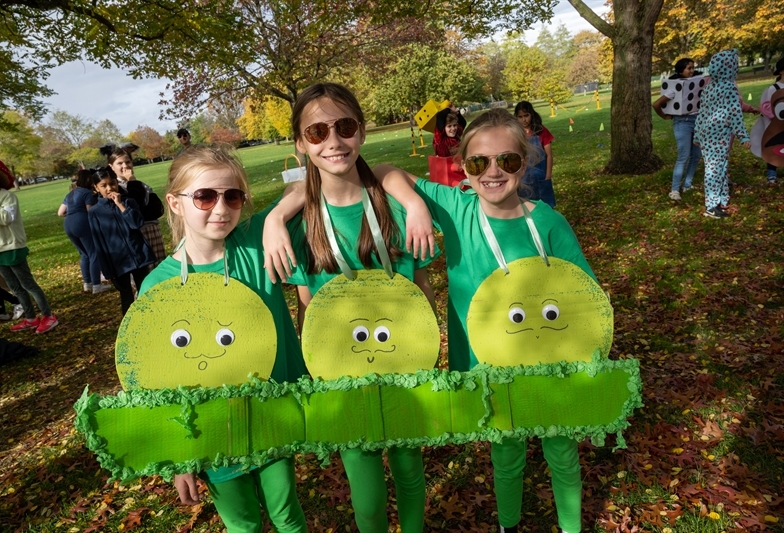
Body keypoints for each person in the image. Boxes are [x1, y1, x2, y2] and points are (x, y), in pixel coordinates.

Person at [371, 108, 596, 533]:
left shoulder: (547, 221)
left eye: (507, 161)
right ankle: (508, 525)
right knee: (505, 453)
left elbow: (587, 296)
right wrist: (416, 203)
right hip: (488, 364)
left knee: (562, 451)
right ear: (463, 167)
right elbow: (382, 169)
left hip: (548, 359)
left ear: (525, 162)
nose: (493, 172)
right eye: (479, 163)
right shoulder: (456, 208)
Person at [264, 82, 432, 533]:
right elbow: (308, 308)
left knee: (410, 472)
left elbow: (421, 286)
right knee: (368, 495)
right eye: (317, 132)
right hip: (341, 374)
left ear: (362, 130)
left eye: (345, 126)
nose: (333, 141)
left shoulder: (395, 204)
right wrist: (274, 216)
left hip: (404, 364)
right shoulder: (300, 224)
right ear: (300, 144)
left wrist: (428, 355)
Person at [142, 145, 308, 533]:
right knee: (243, 524)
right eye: (204, 196)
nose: (221, 208)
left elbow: (305, 186)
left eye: (232, 196)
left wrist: (276, 218)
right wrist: (179, 455)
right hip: (214, 429)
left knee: (287, 515)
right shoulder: (158, 286)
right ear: (176, 203)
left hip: (273, 413)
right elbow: (158, 379)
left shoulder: (256, 245)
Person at [0, 157, 59, 334]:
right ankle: (31, 318)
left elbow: (5, 218)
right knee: (15, 287)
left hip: (12, 247)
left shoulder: (7, 197)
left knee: (28, 285)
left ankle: (49, 316)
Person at [88, 167, 155, 315]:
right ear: (96, 188)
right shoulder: (95, 212)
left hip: (139, 255)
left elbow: (137, 223)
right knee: (126, 297)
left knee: (145, 291)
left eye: (112, 183)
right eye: (103, 185)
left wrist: (120, 205)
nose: (109, 188)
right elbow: (99, 242)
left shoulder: (128, 202)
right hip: (118, 262)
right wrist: (107, 270)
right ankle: (130, 328)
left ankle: (151, 320)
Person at [694, 49, 751, 219]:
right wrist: (743, 136)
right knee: (715, 169)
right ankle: (711, 207)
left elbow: (701, 113)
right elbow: (735, 113)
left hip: (706, 133)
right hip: (718, 135)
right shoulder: (729, 87)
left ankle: (719, 201)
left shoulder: (709, 87)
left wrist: (697, 135)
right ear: (731, 67)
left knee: (719, 167)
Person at [103, 144, 166, 267]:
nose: (125, 166)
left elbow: (158, 209)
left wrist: (133, 182)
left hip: (153, 231)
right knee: (144, 271)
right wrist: (131, 181)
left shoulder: (141, 184)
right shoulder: (114, 189)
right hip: (135, 236)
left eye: (128, 162)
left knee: (159, 268)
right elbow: (136, 208)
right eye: (120, 163)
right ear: (111, 167)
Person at [653, 57, 703, 201]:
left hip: (698, 121)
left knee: (696, 156)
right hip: (683, 122)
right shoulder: (675, 87)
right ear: (681, 70)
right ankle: (674, 190)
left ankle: (687, 184)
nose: (692, 71)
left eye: (693, 68)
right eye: (689, 68)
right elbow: (656, 104)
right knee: (683, 156)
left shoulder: (695, 82)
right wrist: (665, 116)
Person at [61, 169, 111, 294]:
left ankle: (87, 284)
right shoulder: (87, 193)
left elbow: (60, 212)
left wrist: (73, 213)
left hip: (68, 224)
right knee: (94, 253)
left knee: (84, 254)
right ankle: (96, 285)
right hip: (82, 223)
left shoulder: (70, 194)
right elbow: (90, 211)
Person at [514, 101, 556, 207]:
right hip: (523, 181)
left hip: (541, 179)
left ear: (531, 114)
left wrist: (548, 176)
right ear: (516, 118)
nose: (524, 119)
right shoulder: (515, 134)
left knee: (546, 209)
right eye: (520, 116)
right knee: (526, 209)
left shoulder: (541, 131)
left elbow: (549, 155)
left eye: (526, 115)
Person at [750, 56, 784, 185]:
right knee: (774, 147)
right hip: (776, 124)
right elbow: (768, 108)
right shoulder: (773, 89)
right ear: (781, 71)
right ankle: (771, 174)